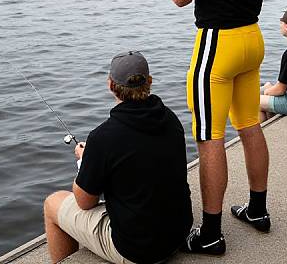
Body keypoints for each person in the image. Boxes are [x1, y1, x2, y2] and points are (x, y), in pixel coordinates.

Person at [151, 0, 276, 255]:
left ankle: (210, 232)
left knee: (209, 138)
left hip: (217, 45)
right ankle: (258, 210)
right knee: (249, 125)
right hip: (252, 38)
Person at [43, 51, 193, 264]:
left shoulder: (102, 137)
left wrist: (85, 163)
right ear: (149, 81)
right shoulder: (170, 118)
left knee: (52, 203)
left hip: (138, 250)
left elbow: (85, 202)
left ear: (111, 85)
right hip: (178, 232)